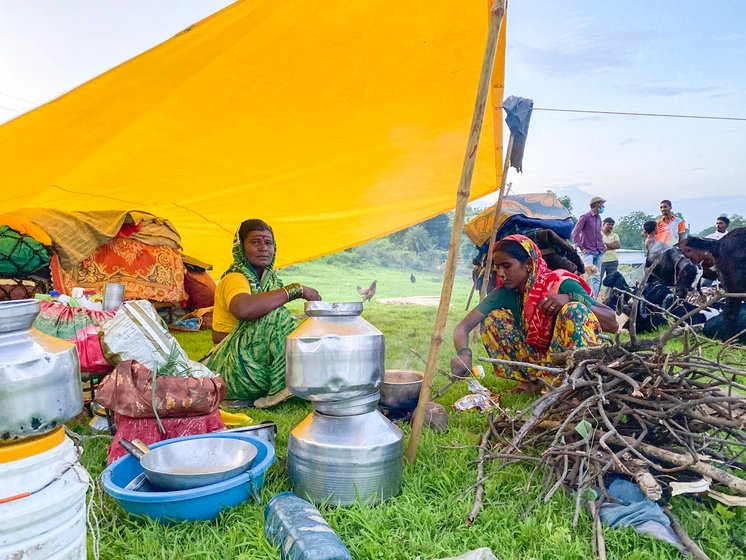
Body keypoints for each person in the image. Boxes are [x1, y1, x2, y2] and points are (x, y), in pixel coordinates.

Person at [451, 235, 617, 394]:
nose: (500, 273)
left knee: (574, 310)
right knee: (492, 319)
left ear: (529, 264)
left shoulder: (561, 284)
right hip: (540, 360)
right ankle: (534, 382)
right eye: (497, 266)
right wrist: (464, 353)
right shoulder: (505, 292)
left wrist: (571, 298)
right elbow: (463, 327)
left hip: (571, 359)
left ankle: (576, 384)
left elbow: (612, 323)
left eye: (506, 266)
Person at [205, 219, 321, 407]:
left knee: (303, 329)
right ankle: (280, 388)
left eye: (268, 243)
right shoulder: (235, 278)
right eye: (255, 242)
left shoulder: (270, 281)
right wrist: (295, 290)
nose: (263, 248)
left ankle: (294, 381)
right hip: (230, 368)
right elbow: (244, 309)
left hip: (252, 364)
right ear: (240, 248)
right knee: (279, 316)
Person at [571, 195, 606, 297]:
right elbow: (575, 233)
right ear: (595, 205)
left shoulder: (599, 218)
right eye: (601, 204)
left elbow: (598, 234)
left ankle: (593, 298)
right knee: (586, 275)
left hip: (598, 251)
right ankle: (586, 297)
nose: (603, 206)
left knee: (596, 277)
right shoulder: (585, 217)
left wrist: (602, 245)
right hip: (588, 251)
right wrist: (581, 247)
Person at [599, 218, 621, 288]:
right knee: (597, 280)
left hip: (613, 261)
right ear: (603, 224)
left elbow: (617, 245)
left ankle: (608, 297)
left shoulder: (615, 235)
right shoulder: (598, 234)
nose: (610, 226)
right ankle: (594, 297)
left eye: (612, 225)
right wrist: (611, 246)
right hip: (601, 261)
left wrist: (604, 244)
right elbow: (598, 246)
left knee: (612, 281)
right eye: (608, 224)